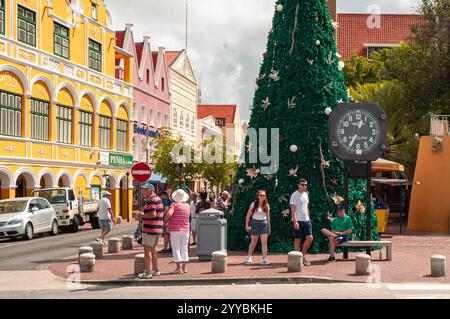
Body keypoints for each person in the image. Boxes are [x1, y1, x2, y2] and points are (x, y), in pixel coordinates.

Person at [136, 183, 164, 279]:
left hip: (150, 229)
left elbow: (153, 214)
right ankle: (155, 270)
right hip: (157, 228)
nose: (143, 191)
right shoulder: (158, 199)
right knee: (153, 250)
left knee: (147, 250)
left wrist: (141, 215)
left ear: (150, 190)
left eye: (144, 190)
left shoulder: (152, 200)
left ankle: (148, 272)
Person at [165, 189, 191, 274]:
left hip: (175, 229)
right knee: (184, 248)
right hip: (186, 229)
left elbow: (169, 214)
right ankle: (184, 268)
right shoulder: (187, 205)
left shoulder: (174, 205)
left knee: (176, 248)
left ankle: (178, 268)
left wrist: (166, 220)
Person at [290, 179, 313, 266]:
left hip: (306, 221)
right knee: (297, 240)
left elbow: (306, 207)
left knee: (310, 238)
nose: (304, 186)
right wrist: (295, 221)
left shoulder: (306, 194)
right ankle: (297, 259)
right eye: (302, 184)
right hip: (298, 221)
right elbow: (293, 210)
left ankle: (302, 256)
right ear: (298, 185)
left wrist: (309, 219)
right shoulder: (294, 195)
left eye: (305, 185)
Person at [245, 190, 271, 265]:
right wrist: (247, 225)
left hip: (264, 225)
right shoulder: (253, 204)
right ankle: (249, 257)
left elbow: (268, 217)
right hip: (254, 224)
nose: (262, 197)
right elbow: (248, 216)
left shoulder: (267, 205)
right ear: (258, 196)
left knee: (264, 242)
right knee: (253, 242)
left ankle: (264, 259)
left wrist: (269, 228)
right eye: (261, 195)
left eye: (264, 196)